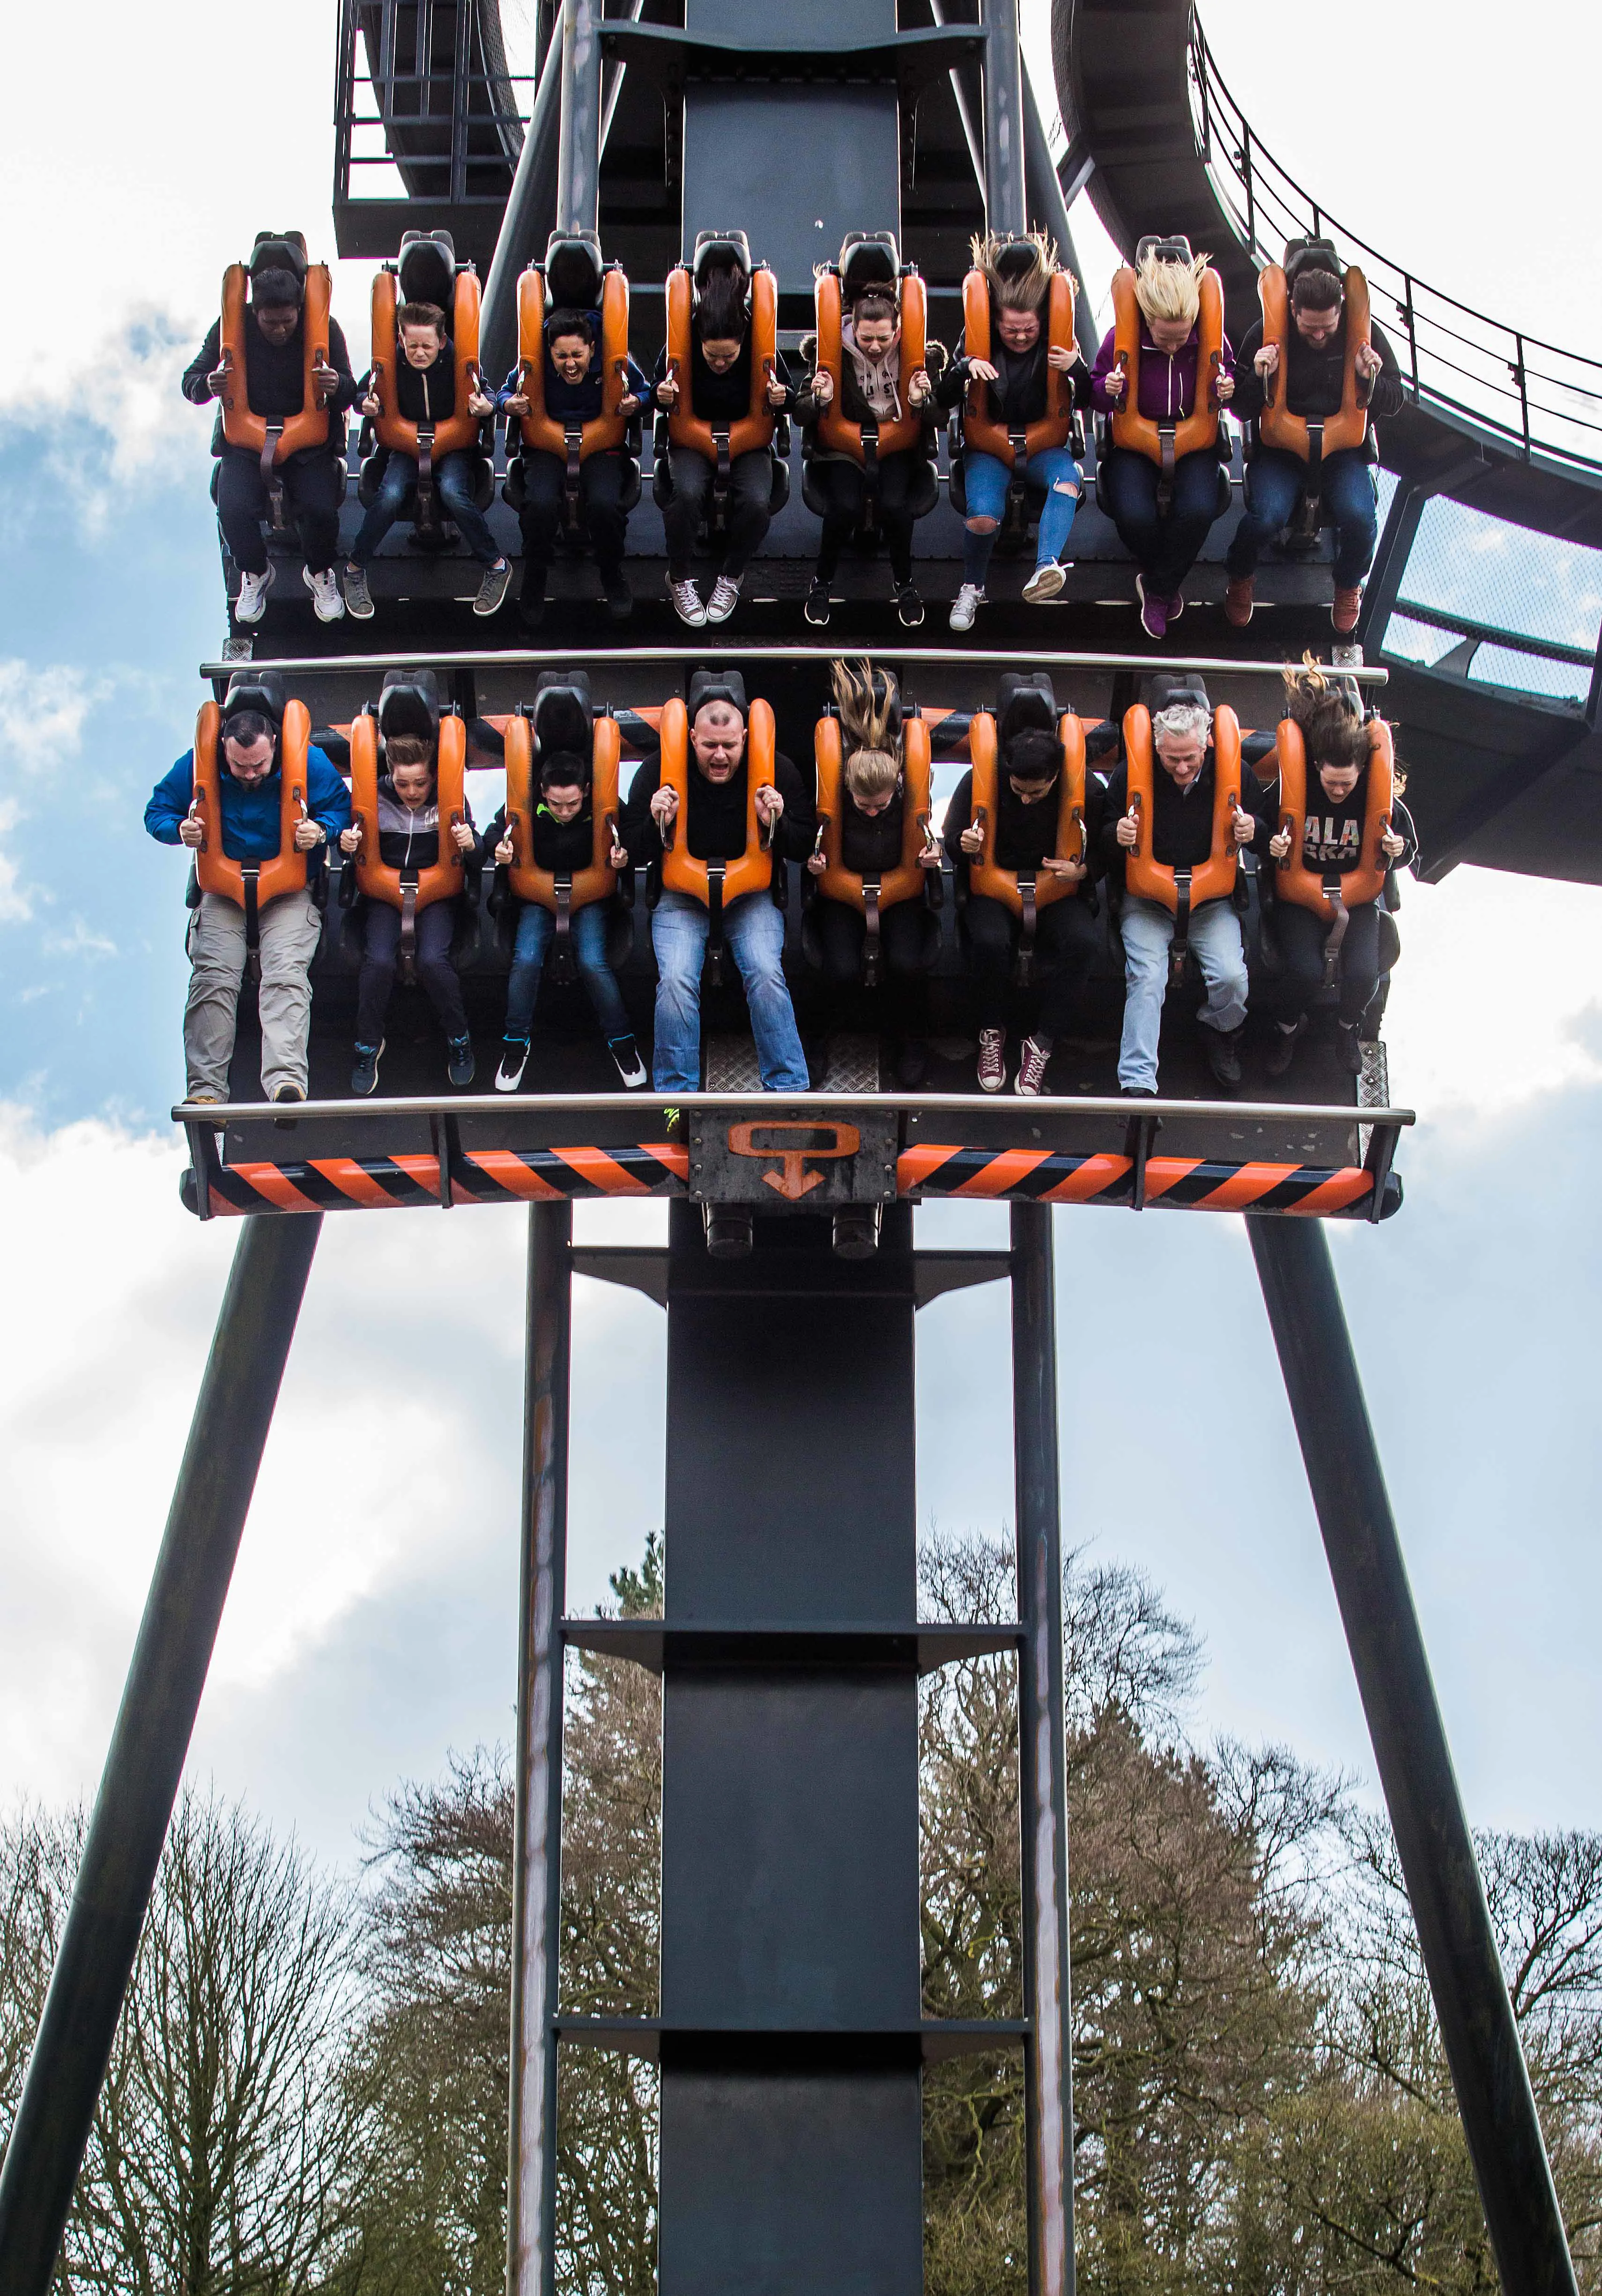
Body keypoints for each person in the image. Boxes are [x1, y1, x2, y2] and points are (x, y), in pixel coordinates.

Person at [145, 676, 350, 1106]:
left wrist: (323, 830)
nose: (252, 774)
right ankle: (206, 1092)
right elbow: (156, 811)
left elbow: (342, 810)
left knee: (285, 976)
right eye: (241, 767)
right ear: (224, 748)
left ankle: (285, 1083)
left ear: (274, 743)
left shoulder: (306, 761)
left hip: (288, 889)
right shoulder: (197, 763)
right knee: (212, 981)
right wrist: (178, 830)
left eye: (259, 765)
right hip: (223, 889)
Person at [622, 671, 814, 1091]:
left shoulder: (776, 769)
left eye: (730, 745)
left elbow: (804, 846)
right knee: (674, 980)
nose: (721, 756)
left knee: (765, 972)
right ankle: (676, 1096)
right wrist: (656, 824)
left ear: (746, 737)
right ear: (692, 738)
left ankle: (789, 1087)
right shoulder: (659, 770)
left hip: (750, 894)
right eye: (710, 745)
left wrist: (777, 823)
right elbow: (631, 852)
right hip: (682, 895)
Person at [1100, 681, 1272, 1094]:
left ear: (1208, 744)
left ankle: (1219, 1029)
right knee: (1146, 978)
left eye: (1190, 759)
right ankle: (1138, 1083)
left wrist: (1254, 830)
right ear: (1156, 748)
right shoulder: (1131, 775)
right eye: (1172, 759)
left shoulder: (1236, 775)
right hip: (1148, 901)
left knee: (1232, 977)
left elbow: (1268, 835)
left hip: (1211, 902)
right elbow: (1101, 839)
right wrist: (1116, 834)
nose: (1181, 769)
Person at [181, 238, 361, 626]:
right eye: (270, 322)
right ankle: (256, 572)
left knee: (319, 509)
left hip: (307, 445)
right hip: (247, 442)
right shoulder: (230, 329)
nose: (279, 329)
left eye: (287, 320)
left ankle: (319, 573)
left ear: (300, 310)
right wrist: (207, 384)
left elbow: (353, 390)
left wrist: (338, 386)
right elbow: (190, 380)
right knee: (231, 508)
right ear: (255, 312)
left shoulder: (325, 328)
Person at [1226, 250, 1404, 636]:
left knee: (1361, 517)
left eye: (1328, 326)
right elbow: (1239, 406)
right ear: (1292, 310)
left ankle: (1347, 583)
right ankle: (1240, 575)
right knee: (1265, 517)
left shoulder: (1362, 335)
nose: (1320, 336)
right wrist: (1259, 375)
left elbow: (1396, 398)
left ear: (1341, 311)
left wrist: (1369, 379)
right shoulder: (1266, 333)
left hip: (1342, 451)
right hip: (1282, 452)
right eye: (1310, 329)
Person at [1261, 666, 1415, 1076]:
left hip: (1357, 896)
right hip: (1301, 896)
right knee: (1303, 973)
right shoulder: (1296, 787)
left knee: (1367, 974)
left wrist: (1397, 849)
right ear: (1317, 768)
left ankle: (1347, 1030)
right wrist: (1268, 842)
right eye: (1332, 784)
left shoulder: (1372, 795)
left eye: (1347, 785)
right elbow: (1257, 826)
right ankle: (1287, 1029)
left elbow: (1407, 842)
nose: (1339, 792)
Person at [943, 704, 1102, 1095]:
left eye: (1037, 792)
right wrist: (962, 844)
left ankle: (1043, 1042)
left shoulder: (1087, 789)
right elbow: (950, 839)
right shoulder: (979, 782)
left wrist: (1083, 872)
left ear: (1055, 778)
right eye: (1019, 791)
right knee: (988, 941)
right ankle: (991, 1031)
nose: (1027, 800)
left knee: (1083, 943)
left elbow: (1108, 846)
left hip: (1058, 887)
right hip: (994, 887)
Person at [935, 232, 1089, 632]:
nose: (1020, 337)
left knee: (1068, 479)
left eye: (1029, 329)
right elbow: (941, 399)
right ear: (997, 323)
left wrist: (1076, 367)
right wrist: (962, 368)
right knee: (984, 515)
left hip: (1043, 445)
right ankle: (972, 587)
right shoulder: (976, 340)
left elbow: (1088, 398)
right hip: (989, 446)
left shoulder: (1059, 342)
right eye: (1011, 330)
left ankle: (1046, 567)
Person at [481, 731, 647, 1092]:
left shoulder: (603, 805)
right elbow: (494, 833)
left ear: (586, 791)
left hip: (589, 896)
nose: (565, 812)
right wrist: (499, 848)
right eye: (556, 805)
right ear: (543, 793)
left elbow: (631, 839)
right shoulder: (525, 806)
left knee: (592, 961)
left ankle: (622, 1042)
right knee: (525, 959)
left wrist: (623, 857)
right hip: (538, 896)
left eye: (572, 804)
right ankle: (515, 1044)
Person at [1090, 243, 1236, 640]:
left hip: (1195, 439)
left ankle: (1157, 591)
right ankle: (1165, 579)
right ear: (1148, 320)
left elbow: (1231, 376)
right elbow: (1093, 390)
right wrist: (1108, 388)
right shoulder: (1120, 338)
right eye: (1164, 338)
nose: (1174, 346)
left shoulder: (1209, 338)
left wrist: (1228, 387)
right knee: (1133, 514)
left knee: (1200, 509)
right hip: (1135, 443)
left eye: (1182, 337)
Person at [807, 662, 942, 1084]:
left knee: (907, 963)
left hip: (900, 890)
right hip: (843, 893)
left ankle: (912, 1040)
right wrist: (814, 865)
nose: (871, 812)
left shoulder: (907, 794)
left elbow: (932, 838)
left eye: (879, 807)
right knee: (840, 969)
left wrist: (932, 857)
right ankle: (818, 1038)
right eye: (863, 806)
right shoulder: (836, 789)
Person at [342, 301, 511, 620]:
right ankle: (355, 567)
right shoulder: (390, 364)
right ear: (402, 341)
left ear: (442, 342)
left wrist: (487, 408)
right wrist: (364, 403)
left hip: (452, 447)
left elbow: (488, 395)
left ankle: (496, 565)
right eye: (413, 345)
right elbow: (361, 392)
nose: (420, 353)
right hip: (406, 446)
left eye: (427, 346)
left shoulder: (461, 365)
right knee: (390, 495)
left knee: (453, 493)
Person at [652, 250, 793, 628]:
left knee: (759, 502)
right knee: (684, 496)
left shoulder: (759, 348)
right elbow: (655, 389)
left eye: (727, 358)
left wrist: (783, 398)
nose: (719, 364)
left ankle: (731, 575)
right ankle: (679, 577)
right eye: (712, 356)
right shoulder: (680, 346)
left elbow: (790, 395)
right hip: (692, 440)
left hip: (747, 441)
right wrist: (660, 395)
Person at [339, 730, 480, 1092]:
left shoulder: (448, 798)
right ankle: (368, 1044)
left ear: (433, 776)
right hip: (385, 893)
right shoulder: (375, 799)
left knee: (434, 960)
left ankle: (459, 1038)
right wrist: (346, 844)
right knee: (379, 961)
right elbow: (348, 845)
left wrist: (471, 844)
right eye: (403, 784)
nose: (412, 792)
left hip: (436, 894)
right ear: (390, 775)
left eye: (420, 783)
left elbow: (477, 848)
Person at [499, 305, 651, 630]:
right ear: (550, 353)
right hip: (547, 444)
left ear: (592, 348)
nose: (570, 365)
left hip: (600, 444)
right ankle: (536, 573)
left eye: (577, 355)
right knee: (538, 504)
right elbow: (504, 391)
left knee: (605, 505)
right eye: (562, 356)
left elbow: (645, 391)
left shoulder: (615, 362)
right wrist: (508, 404)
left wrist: (636, 403)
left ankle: (611, 571)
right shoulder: (533, 365)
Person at [796, 285, 935, 629]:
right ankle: (822, 584)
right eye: (866, 338)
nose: (875, 347)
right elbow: (799, 413)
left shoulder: (916, 357)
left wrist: (921, 400)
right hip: (845, 447)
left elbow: (940, 417)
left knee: (896, 507)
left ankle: (904, 584)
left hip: (896, 444)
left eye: (883, 339)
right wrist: (819, 399)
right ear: (852, 329)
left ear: (897, 331)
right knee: (843, 506)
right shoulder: (829, 355)